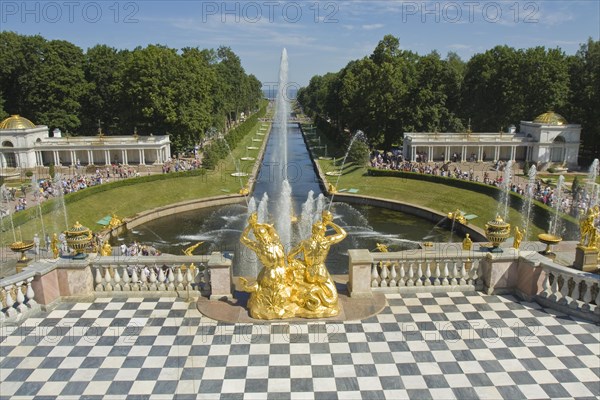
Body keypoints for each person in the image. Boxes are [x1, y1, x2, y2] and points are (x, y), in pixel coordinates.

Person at [287, 210, 346, 318]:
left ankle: (311, 295)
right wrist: (329, 223)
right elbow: (343, 233)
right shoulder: (326, 241)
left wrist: (300, 262)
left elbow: (290, 256)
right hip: (321, 270)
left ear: (313, 231)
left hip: (309, 272)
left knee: (311, 284)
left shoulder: (305, 243)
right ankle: (315, 294)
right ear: (322, 231)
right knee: (332, 297)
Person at [240, 212, 296, 319]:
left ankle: (273, 304)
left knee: (272, 290)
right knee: (271, 290)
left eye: (263, 234)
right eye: (261, 235)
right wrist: (254, 226)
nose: (263, 236)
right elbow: (244, 238)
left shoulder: (267, 243)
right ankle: (273, 305)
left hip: (278, 272)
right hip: (276, 272)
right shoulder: (266, 243)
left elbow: (244, 238)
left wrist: (256, 225)